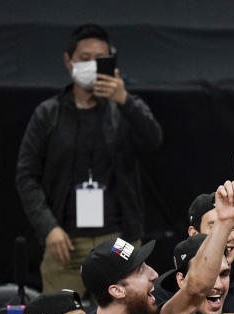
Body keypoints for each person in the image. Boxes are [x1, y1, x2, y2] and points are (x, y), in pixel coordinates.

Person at [16, 24, 162, 295]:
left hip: (118, 237)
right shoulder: (48, 114)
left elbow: (153, 139)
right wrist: (48, 228)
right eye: (85, 58)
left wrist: (125, 99)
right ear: (68, 61)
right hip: (66, 241)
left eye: (100, 59)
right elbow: (26, 176)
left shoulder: (123, 108)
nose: (92, 65)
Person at [81, 158, 234, 314]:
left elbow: (197, 288)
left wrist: (225, 222)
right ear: (117, 290)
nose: (153, 274)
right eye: (140, 271)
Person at [152, 192, 234, 314]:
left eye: (232, 228)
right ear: (194, 234)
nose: (226, 237)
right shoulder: (163, 291)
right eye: (217, 228)